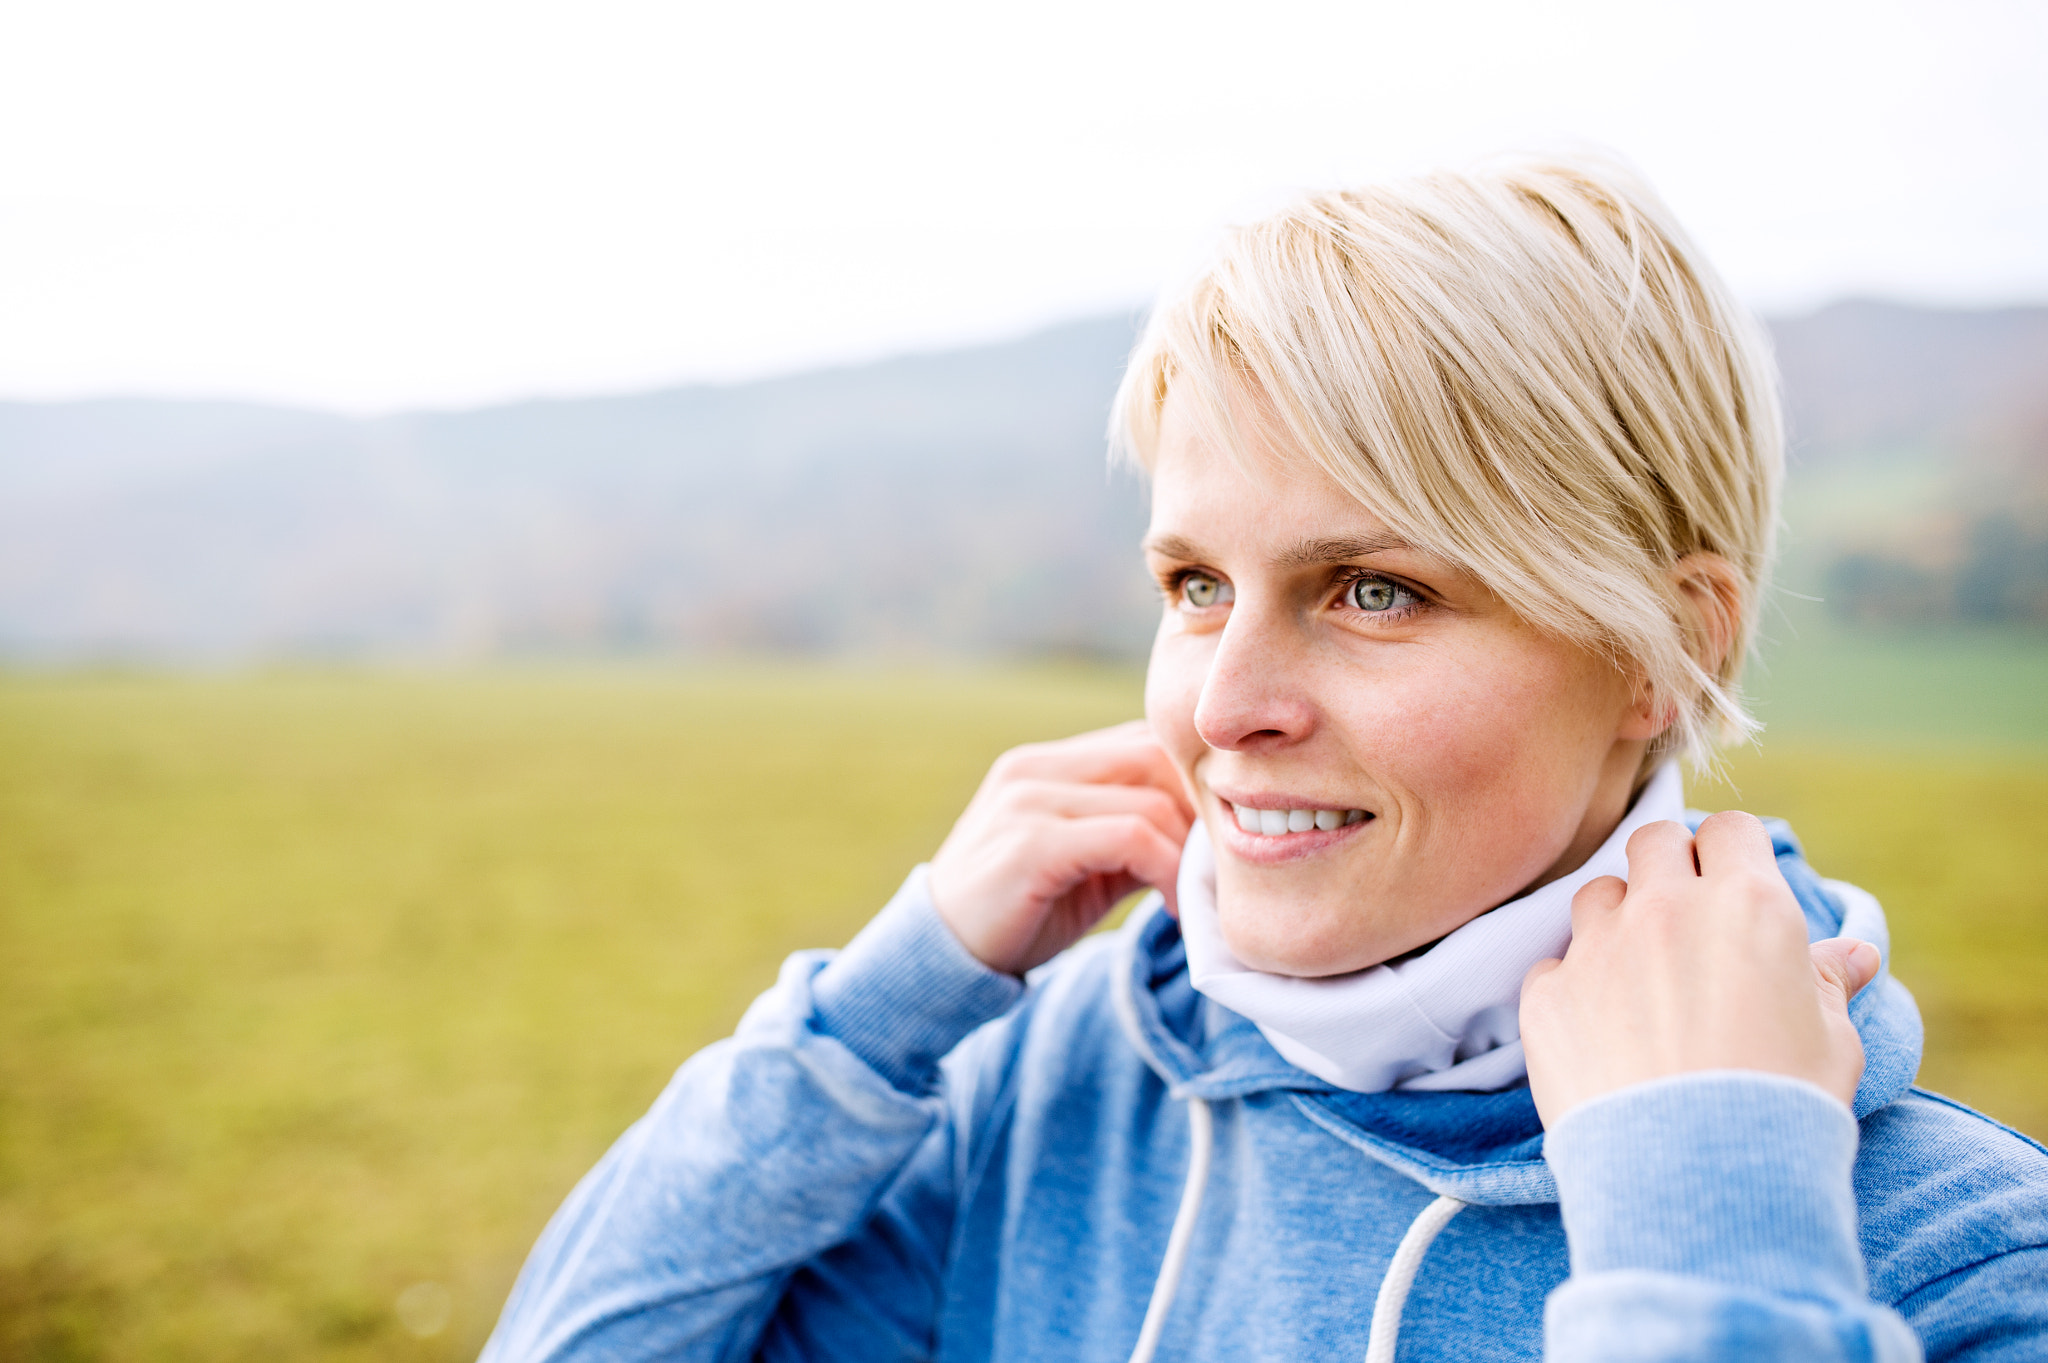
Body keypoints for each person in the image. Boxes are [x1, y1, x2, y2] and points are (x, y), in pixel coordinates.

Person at [480, 158, 2048, 1362]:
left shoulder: (1945, 1253)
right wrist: (873, 1019)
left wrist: (1708, 1233)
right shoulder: (1056, 1084)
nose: (1224, 705)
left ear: (1665, 650)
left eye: (1375, 590)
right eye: (1195, 586)